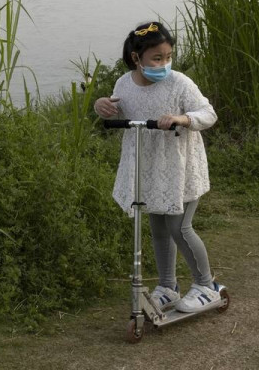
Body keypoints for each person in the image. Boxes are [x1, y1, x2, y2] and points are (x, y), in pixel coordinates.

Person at [93, 21, 223, 313]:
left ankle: (207, 285)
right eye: (156, 58)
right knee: (159, 229)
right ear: (136, 58)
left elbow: (208, 113)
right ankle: (167, 286)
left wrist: (182, 119)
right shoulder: (124, 84)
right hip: (148, 169)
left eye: (168, 57)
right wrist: (102, 106)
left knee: (180, 228)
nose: (164, 64)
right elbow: (116, 109)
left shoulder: (179, 83)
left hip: (179, 169)